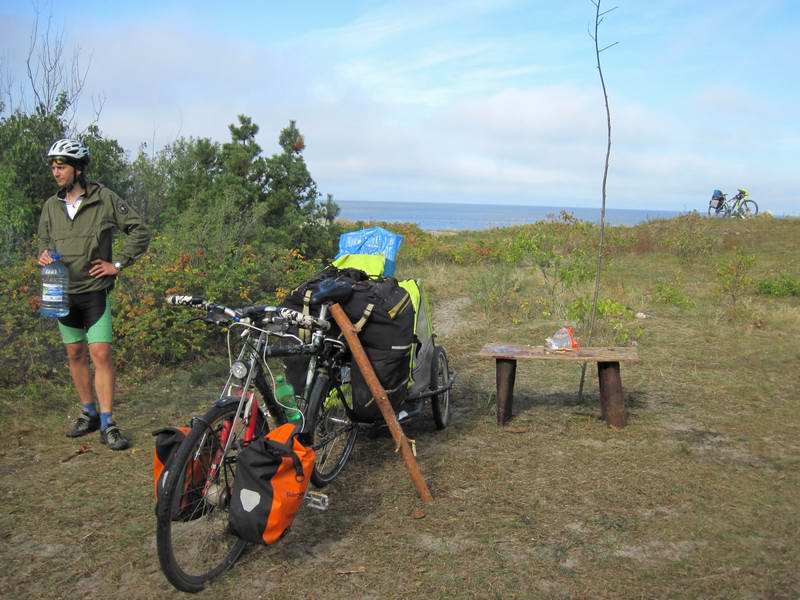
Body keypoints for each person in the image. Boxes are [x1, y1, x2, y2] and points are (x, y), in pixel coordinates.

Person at [37, 139, 151, 450]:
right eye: (53, 167)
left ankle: (108, 422)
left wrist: (117, 263)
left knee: (100, 354)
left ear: (78, 169)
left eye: (61, 167)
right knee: (75, 355)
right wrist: (44, 255)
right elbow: (44, 242)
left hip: (94, 292)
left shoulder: (104, 199)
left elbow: (139, 231)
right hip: (61, 292)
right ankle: (88, 414)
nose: (55, 172)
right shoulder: (51, 205)